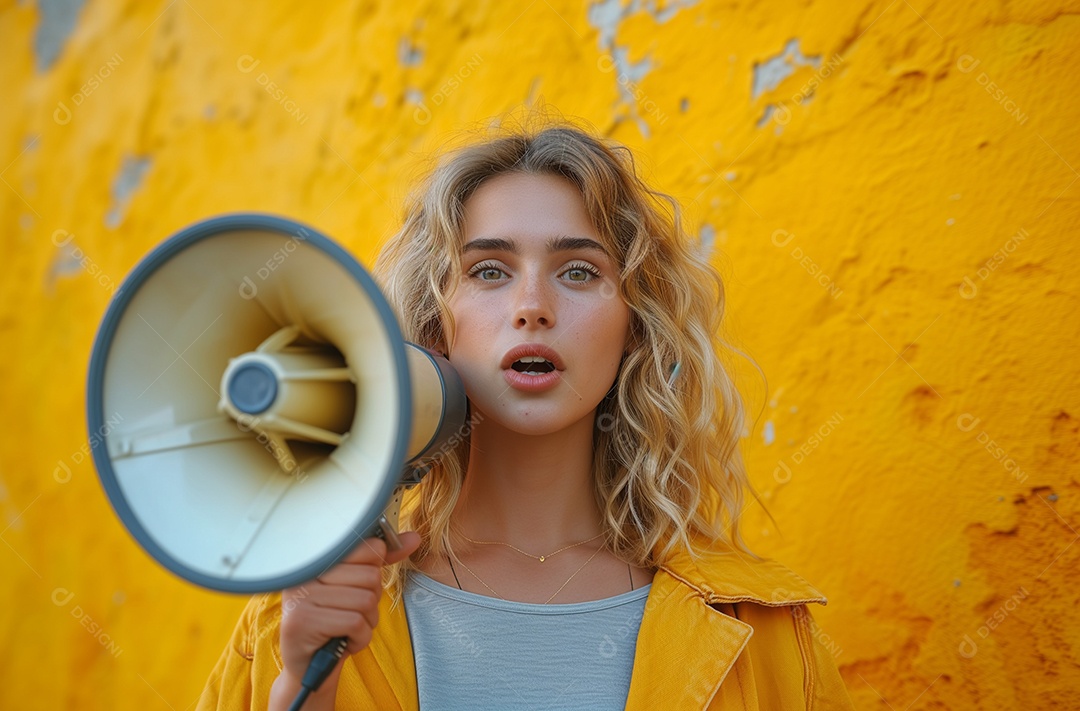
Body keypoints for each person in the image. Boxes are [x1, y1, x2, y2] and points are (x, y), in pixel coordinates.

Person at [196, 120, 855, 710]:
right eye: (488, 270)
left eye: (577, 271)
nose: (532, 305)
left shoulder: (760, 632)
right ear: (435, 324)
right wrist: (300, 685)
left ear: (634, 328)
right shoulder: (299, 611)